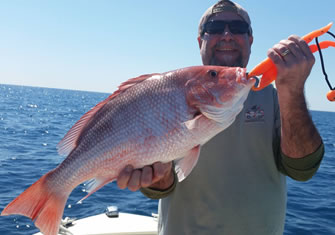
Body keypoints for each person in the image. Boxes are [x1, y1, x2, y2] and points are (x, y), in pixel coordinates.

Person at [116, 1, 325, 234]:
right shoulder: (170, 96)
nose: (227, 35)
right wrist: (157, 178)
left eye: (237, 27)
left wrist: (292, 90)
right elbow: (163, 186)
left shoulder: (280, 98)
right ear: (200, 41)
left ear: (251, 40)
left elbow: (302, 169)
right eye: (215, 28)